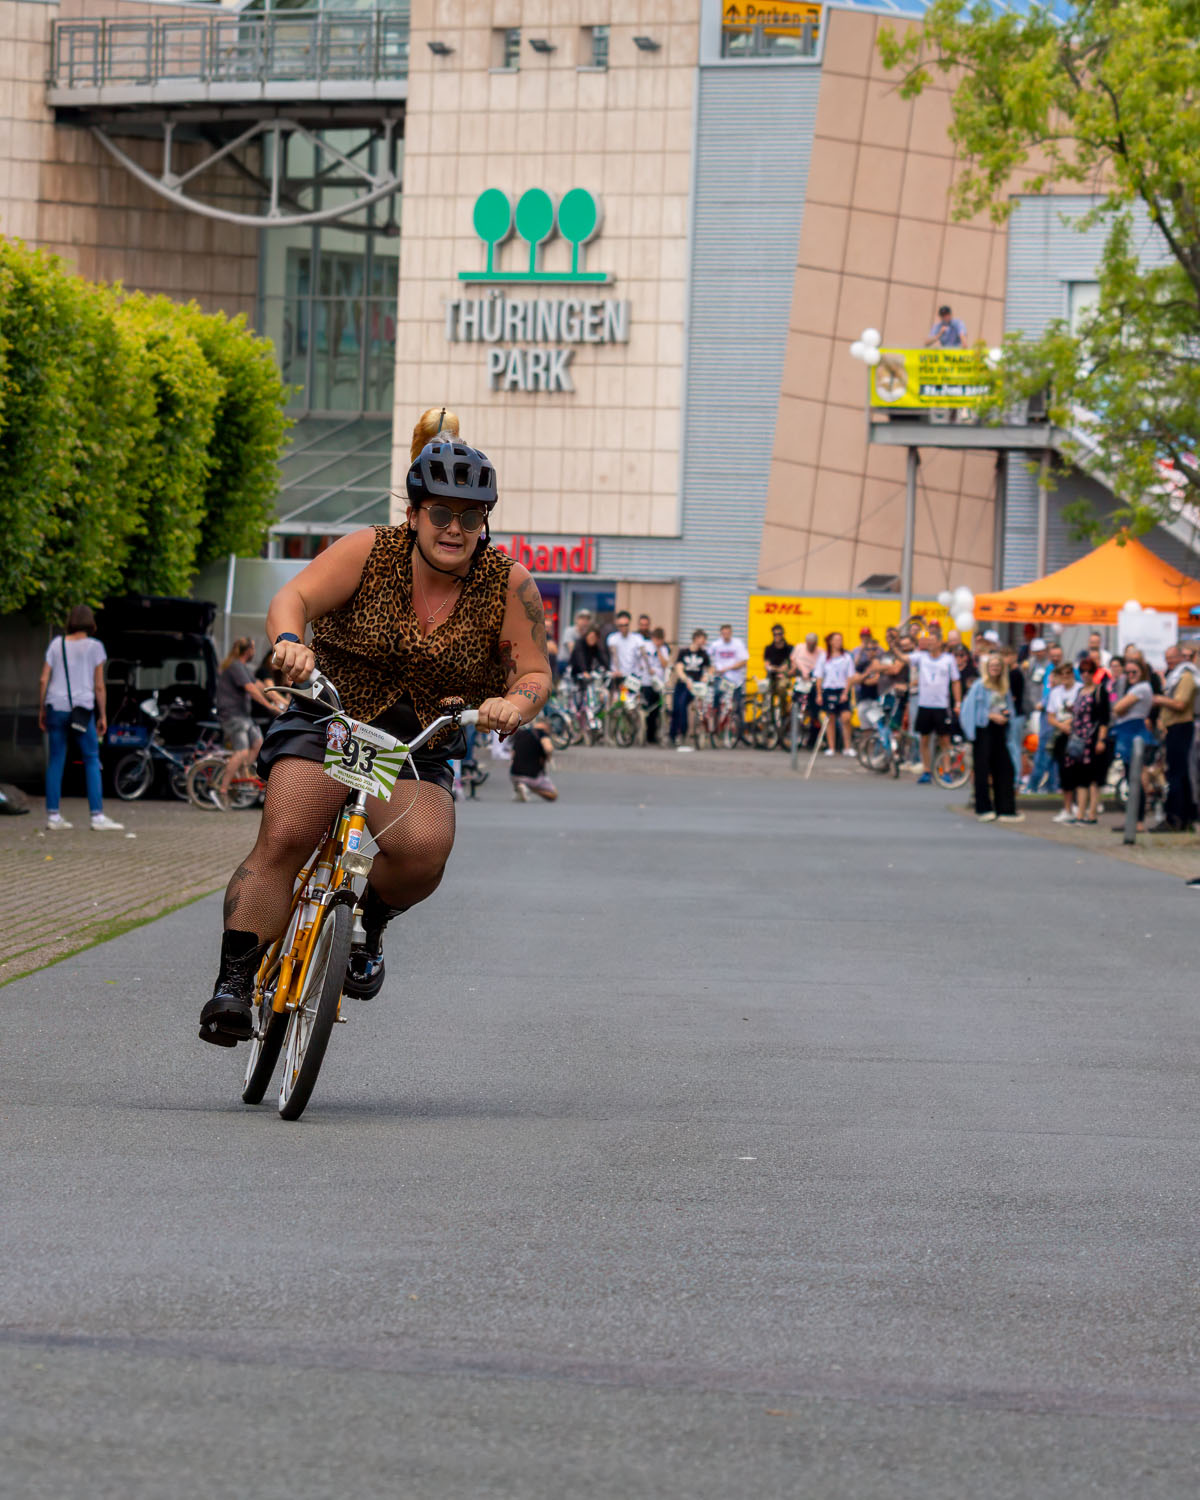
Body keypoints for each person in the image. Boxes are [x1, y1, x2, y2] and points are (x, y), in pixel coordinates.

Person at [198, 406, 552, 1046]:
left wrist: (515, 705)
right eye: (440, 513)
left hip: (416, 742)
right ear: (414, 514)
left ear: (484, 523)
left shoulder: (509, 586)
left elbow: (533, 671)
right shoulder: (370, 550)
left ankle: (370, 923)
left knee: (423, 852)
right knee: (287, 834)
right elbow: (296, 598)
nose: (454, 529)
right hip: (331, 717)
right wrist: (289, 641)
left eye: (469, 517)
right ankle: (233, 983)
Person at [38, 604, 123, 831]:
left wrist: (42, 709)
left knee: (56, 759)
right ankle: (97, 817)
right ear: (90, 622)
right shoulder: (95, 647)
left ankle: (53, 816)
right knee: (92, 759)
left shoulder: (56, 644)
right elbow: (99, 685)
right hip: (82, 711)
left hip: (56, 706)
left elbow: (44, 679)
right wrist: (103, 715)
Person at [214, 637, 285, 803]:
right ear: (248, 651)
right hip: (233, 716)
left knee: (258, 743)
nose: (254, 652)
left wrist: (284, 701)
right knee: (242, 751)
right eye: (253, 648)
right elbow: (252, 690)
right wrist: (270, 706)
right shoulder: (235, 667)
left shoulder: (243, 667)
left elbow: (261, 686)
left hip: (244, 716)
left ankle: (242, 776)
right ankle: (223, 789)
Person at [961, 653, 1022, 822]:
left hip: (1000, 731)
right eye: (992, 665)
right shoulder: (979, 686)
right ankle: (984, 808)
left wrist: (1006, 717)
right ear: (987, 668)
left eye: (998, 665)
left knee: (1005, 769)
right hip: (983, 731)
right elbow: (969, 710)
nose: (995, 668)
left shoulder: (1004, 687)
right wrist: (988, 717)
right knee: (982, 770)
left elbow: (1010, 708)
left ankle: (1006, 809)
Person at [901, 631, 961, 783]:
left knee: (944, 740)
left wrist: (958, 702)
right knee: (924, 739)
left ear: (940, 642)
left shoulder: (948, 659)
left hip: (941, 705)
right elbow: (903, 658)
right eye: (928, 641)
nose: (930, 644)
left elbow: (955, 681)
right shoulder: (921, 657)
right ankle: (927, 770)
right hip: (924, 704)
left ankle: (946, 771)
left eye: (933, 641)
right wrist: (894, 644)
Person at [1150, 642, 1197, 832]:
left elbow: (1180, 704)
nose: (1168, 663)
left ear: (1180, 659)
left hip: (1181, 728)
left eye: (1171, 659)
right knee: (1176, 773)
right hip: (1173, 728)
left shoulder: (1186, 677)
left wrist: (1159, 699)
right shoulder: (1174, 677)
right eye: (1166, 660)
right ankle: (1182, 817)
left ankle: (1176, 817)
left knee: (1178, 774)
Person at [1061, 657, 1110, 825]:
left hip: (1093, 738)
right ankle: (1080, 813)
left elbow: (1104, 719)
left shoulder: (1100, 691)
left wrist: (1101, 740)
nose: (1086, 675)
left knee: (1093, 778)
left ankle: (1092, 814)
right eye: (1083, 672)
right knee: (1080, 777)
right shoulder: (1080, 691)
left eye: (1089, 671)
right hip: (1078, 738)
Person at [1111, 657, 1155, 831]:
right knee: (1130, 777)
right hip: (1128, 730)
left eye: (1133, 672)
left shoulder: (1141, 688)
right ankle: (1133, 819)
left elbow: (1117, 708)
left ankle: (1138, 821)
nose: (1130, 675)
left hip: (1134, 731)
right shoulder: (1134, 688)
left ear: (1142, 672)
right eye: (1127, 672)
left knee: (1135, 777)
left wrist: (1122, 708)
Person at [1045, 663, 1081, 823]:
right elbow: (1051, 716)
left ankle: (1079, 806)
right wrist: (1062, 726)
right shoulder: (1055, 693)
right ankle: (1067, 807)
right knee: (1064, 772)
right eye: (1063, 674)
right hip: (1062, 734)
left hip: (1078, 734)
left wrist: (1072, 723)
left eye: (1069, 673)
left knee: (1079, 772)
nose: (1066, 677)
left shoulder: (1080, 689)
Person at [814, 630, 856, 756]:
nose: (839, 642)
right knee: (830, 719)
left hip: (842, 689)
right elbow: (819, 677)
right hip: (829, 689)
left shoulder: (846, 657)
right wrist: (819, 694)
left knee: (846, 718)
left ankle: (847, 747)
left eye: (840, 640)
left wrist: (846, 692)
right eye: (836, 640)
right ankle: (831, 747)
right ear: (831, 642)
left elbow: (850, 676)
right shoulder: (824, 657)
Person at [670, 629, 711, 748]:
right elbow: (679, 668)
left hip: (695, 687)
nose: (704, 642)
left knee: (683, 705)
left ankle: (683, 732)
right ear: (696, 638)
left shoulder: (704, 654)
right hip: (683, 683)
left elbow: (709, 668)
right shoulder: (684, 652)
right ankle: (673, 734)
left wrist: (706, 676)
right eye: (702, 639)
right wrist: (685, 679)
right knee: (676, 707)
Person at [708, 623, 749, 726]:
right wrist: (711, 669)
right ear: (721, 633)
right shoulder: (716, 645)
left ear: (731, 633)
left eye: (728, 633)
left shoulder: (738, 644)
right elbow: (707, 658)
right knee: (716, 695)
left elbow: (744, 661)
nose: (726, 635)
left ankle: (740, 731)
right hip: (722, 679)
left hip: (736, 680)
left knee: (738, 706)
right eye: (724, 633)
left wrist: (728, 668)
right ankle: (716, 723)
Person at [510, 715, 557, 802]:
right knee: (553, 795)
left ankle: (520, 786)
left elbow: (512, 755)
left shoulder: (520, 733)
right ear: (546, 726)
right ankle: (531, 789)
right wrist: (549, 757)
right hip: (533, 775)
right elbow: (548, 748)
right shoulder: (542, 734)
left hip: (514, 774)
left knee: (519, 778)